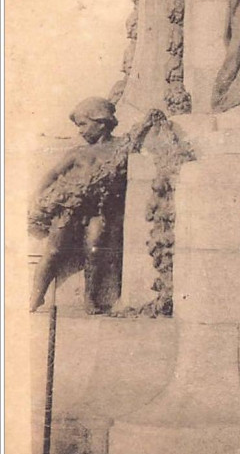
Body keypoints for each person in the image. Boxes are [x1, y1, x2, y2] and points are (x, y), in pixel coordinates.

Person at [29, 99, 161, 313]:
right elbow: (52, 174)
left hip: (97, 209)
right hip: (70, 207)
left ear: (101, 122)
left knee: (94, 248)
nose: (80, 131)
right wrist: (36, 195)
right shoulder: (78, 153)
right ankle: (36, 295)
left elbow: (139, 140)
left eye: (83, 124)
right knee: (53, 250)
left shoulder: (119, 148)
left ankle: (90, 298)